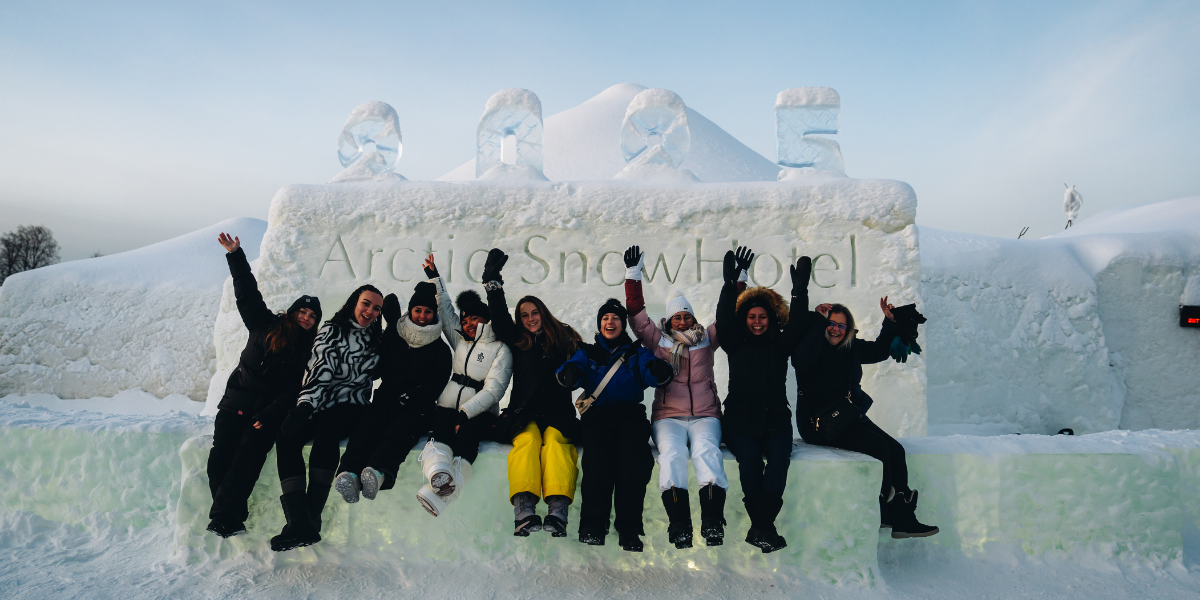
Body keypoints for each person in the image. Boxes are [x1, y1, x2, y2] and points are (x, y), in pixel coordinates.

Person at [623, 244, 741, 549]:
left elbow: (730, 315)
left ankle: (713, 522)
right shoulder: (656, 339)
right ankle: (680, 526)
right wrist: (632, 275)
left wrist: (738, 280)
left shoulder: (707, 338)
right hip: (668, 417)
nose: (683, 321)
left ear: (692, 318)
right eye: (677, 317)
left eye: (686, 316)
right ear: (669, 319)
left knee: (706, 452)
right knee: (672, 457)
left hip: (705, 415)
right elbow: (636, 315)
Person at [792, 298, 938, 539]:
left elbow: (880, 350)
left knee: (896, 450)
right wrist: (816, 320)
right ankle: (883, 508)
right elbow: (802, 359)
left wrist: (889, 322)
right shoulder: (811, 347)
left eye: (842, 326)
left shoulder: (851, 348)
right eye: (831, 323)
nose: (836, 329)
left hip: (847, 416)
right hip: (818, 423)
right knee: (878, 446)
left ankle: (903, 517)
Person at [206, 232, 321, 538]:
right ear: (294, 311)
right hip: (235, 403)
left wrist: (268, 416)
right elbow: (246, 292)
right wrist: (235, 255)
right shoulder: (263, 323)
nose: (307, 318)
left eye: (312, 316)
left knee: (247, 461)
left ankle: (224, 519)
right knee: (220, 458)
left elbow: (295, 390)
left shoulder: (308, 352)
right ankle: (230, 515)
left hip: (265, 416)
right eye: (303, 312)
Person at [270, 284, 384, 552]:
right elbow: (319, 370)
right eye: (366, 303)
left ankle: (309, 520)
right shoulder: (332, 330)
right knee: (286, 437)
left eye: (376, 308)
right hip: (319, 400)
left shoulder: (377, 339)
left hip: (352, 403)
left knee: (327, 433)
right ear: (354, 302)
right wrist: (306, 406)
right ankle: (300, 521)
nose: (370, 311)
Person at [479, 249, 584, 537]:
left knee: (555, 443)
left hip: (559, 414)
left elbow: (586, 362)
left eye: (534, 312)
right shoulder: (518, 340)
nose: (530, 318)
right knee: (527, 442)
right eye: (524, 315)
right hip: (523, 415)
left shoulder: (565, 338)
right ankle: (524, 511)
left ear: (543, 312)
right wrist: (492, 281)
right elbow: (499, 319)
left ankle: (557, 512)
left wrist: (575, 373)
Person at [557, 298, 674, 552]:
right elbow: (573, 366)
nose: (610, 322)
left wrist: (657, 369)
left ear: (623, 325)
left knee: (633, 464)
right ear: (600, 324)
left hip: (630, 416)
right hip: (597, 417)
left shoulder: (635, 351)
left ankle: (629, 529)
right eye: (606, 318)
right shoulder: (587, 351)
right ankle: (592, 526)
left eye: (616, 319)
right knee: (597, 462)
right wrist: (570, 374)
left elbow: (649, 369)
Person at [715, 247, 809, 554]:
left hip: (775, 421)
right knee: (751, 460)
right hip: (740, 422)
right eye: (752, 317)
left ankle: (760, 527)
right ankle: (764, 527)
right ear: (745, 318)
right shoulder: (734, 343)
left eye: (763, 317)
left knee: (780, 460)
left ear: (771, 319)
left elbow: (797, 325)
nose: (757, 322)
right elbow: (723, 319)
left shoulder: (780, 345)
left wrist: (799, 292)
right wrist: (730, 286)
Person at [333, 279, 452, 504]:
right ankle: (349, 473)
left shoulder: (441, 349)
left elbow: (436, 385)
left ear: (434, 314)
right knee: (366, 428)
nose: (422, 316)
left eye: (428, 312)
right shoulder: (395, 335)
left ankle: (378, 474)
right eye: (418, 310)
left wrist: (411, 397)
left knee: (398, 434)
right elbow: (379, 368)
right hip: (385, 399)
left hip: (418, 408)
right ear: (411, 310)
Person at [415, 254, 513, 517]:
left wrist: (466, 412)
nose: (469, 324)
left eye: (475, 319)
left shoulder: (500, 348)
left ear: (487, 319)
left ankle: (445, 494)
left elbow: (494, 389)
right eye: (466, 319)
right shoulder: (461, 340)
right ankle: (438, 473)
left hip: (479, 409)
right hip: (448, 401)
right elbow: (446, 310)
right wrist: (435, 279)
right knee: (440, 431)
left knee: (468, 438)